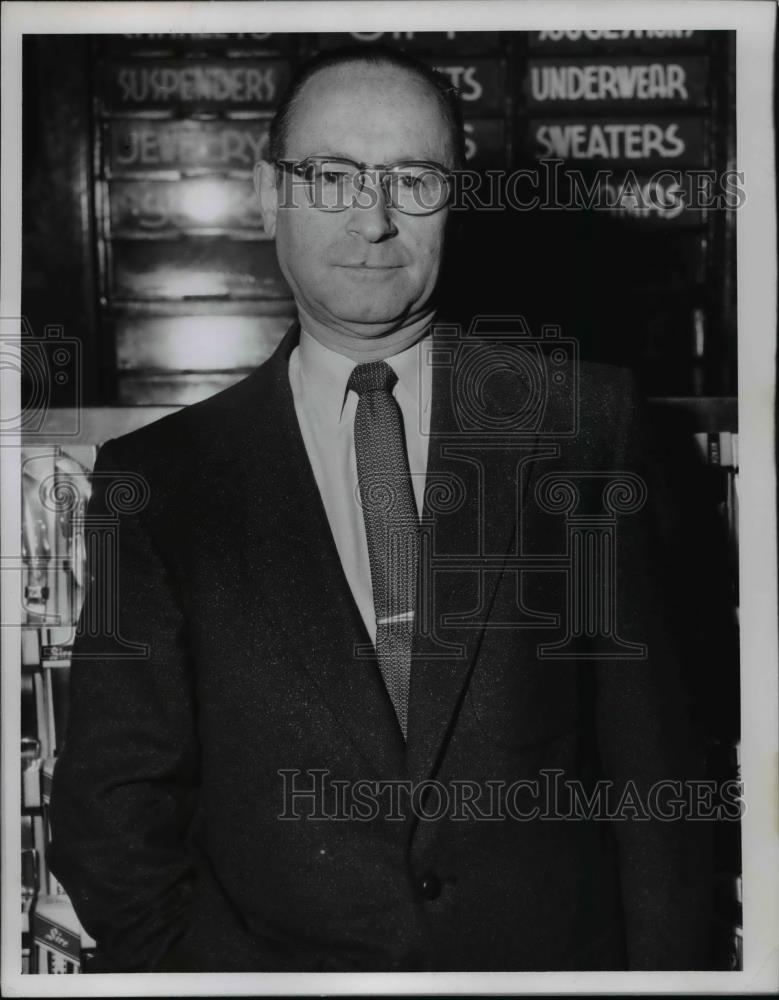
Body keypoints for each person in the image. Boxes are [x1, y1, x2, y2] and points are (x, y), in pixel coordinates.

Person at [49, 44, 712, 973]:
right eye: (331, 177)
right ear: (265, 190)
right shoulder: (156, 483)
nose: (372, 218)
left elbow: (657, 780)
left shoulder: (582, 424)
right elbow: (109, 816)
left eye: (414, 177)